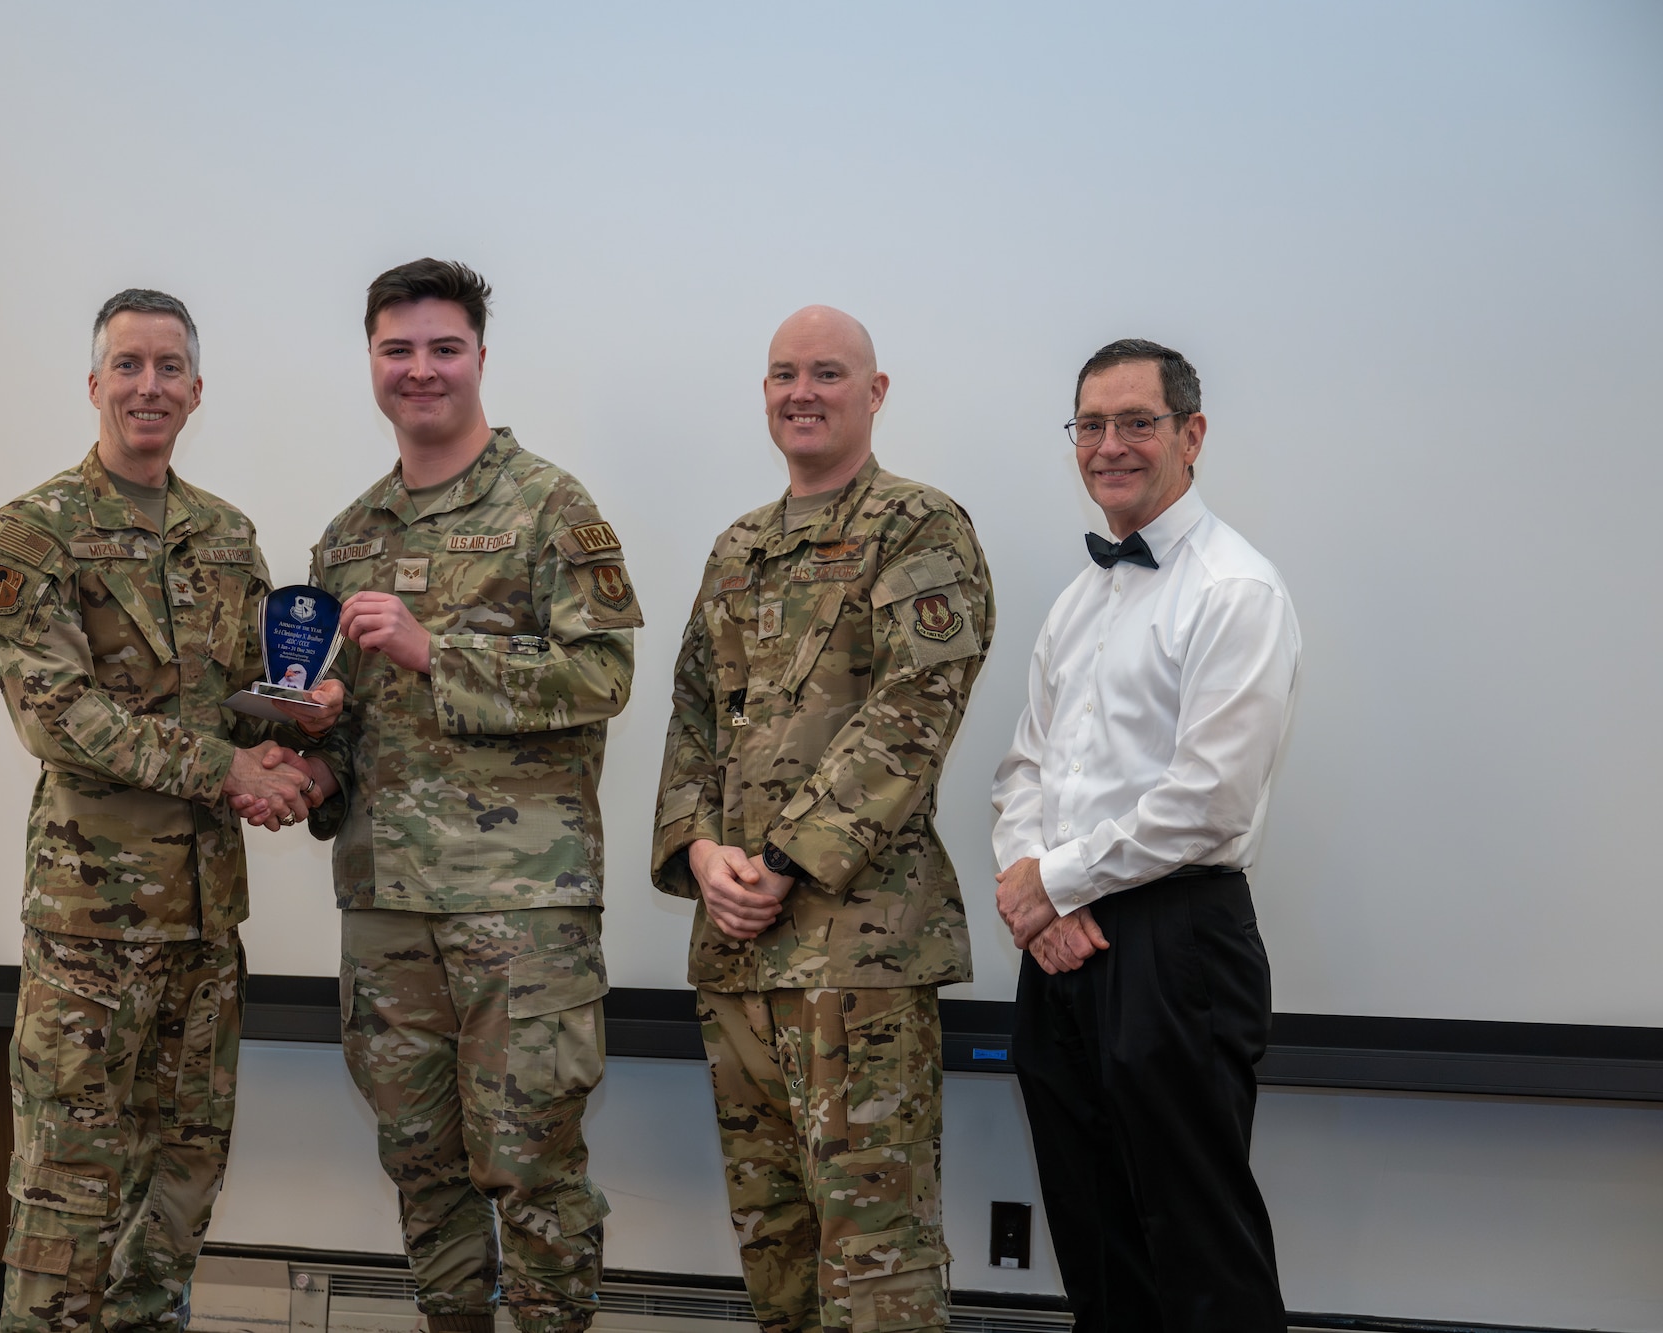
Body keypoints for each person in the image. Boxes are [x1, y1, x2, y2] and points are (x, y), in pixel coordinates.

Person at [241, 259, 641, 1333]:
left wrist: (435, 650)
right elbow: (355, 724)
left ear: (479, 358)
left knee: (533, 1167)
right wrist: (311, 759)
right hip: (386, 906)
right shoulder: (348, 536)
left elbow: (603, 675)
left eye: (443, 348)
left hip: (520, 910)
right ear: (371, 361)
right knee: (421, 1165)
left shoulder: (550, 506)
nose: (420, 370)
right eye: (397, 349)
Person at [0, 290, 323, 1333]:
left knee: (176, 1195)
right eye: (128, 365)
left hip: (206, 930)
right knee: (65, 1200)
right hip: (90, 934)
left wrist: (299, 724)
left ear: (197, 391)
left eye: (170, 367)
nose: (149, 386)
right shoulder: (33, 533)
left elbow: (239, 698)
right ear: (94, 384)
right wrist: (230, 768)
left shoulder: (229, 538)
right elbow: (60, 717)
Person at [650, 306, 992, 1333]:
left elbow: (912, 714)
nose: (802, 392)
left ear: (874, 392)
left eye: (828, 373)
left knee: (874, 1257)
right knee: (778, 1251)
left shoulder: (919, 527)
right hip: (738, 958)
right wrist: (699, 851)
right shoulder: (737, 548)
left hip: (858, 958)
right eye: (783, 373)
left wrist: (783, 862)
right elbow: (691, 715)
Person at [991, 339, 1301, 1331]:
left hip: (1176, 945)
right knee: (1096, 1251)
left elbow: (1207, 799)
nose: (1109, 445)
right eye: (1091, 425)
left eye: (1136, 422)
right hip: (1062, 949)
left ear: (1190, 434)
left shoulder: (1235, 589)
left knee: (1199, 1257)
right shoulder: (1078, 599)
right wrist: (1032, 892)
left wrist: (1055, 883)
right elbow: (1024, 768)